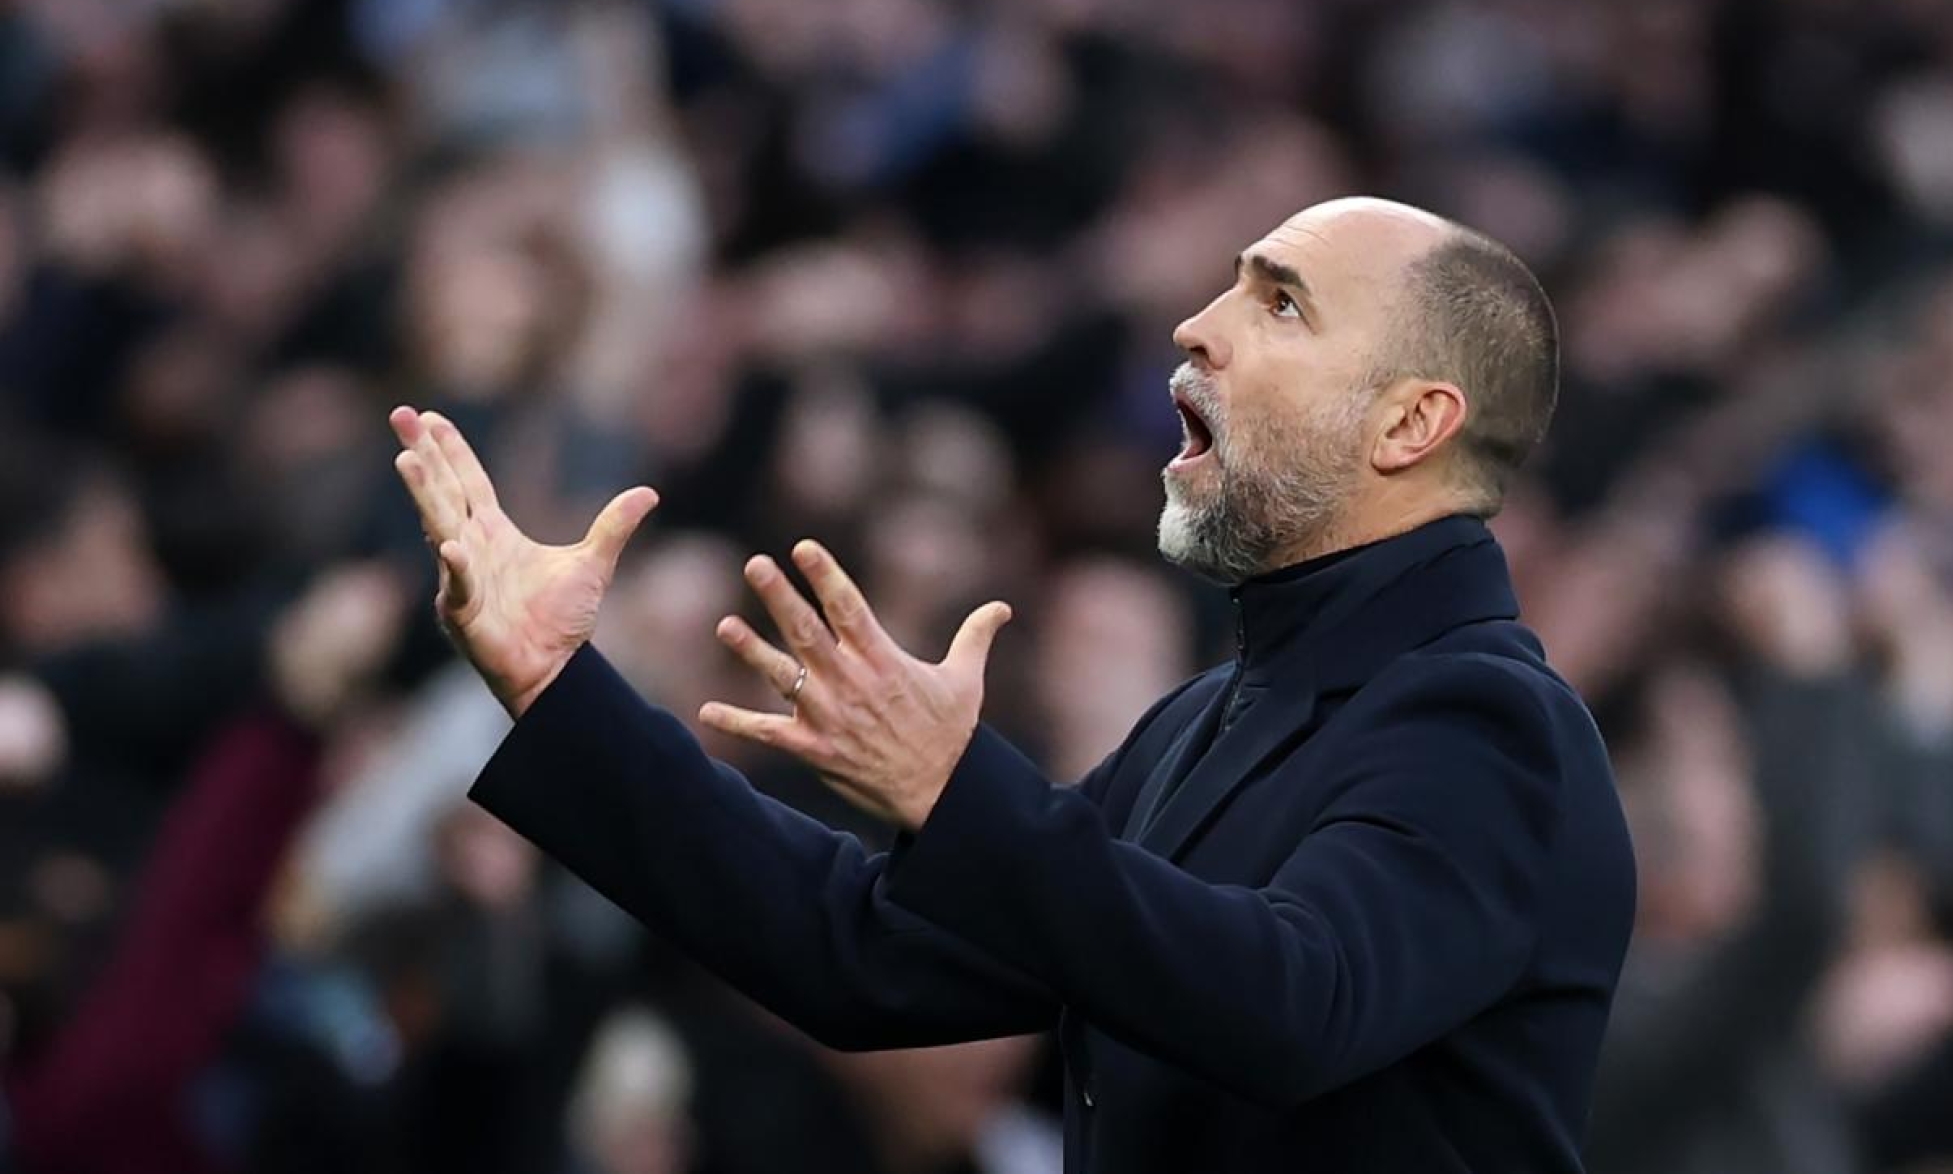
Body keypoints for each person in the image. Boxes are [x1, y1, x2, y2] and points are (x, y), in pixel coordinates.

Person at [389, 197, 1636, 1173]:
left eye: (1284, 305)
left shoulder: (1489, 722)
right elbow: (858, 954)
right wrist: (561, 689)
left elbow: (1294, 1003)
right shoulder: (1206, 721)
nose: (1199, 326)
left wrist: (952, 787)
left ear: (1410, 425)